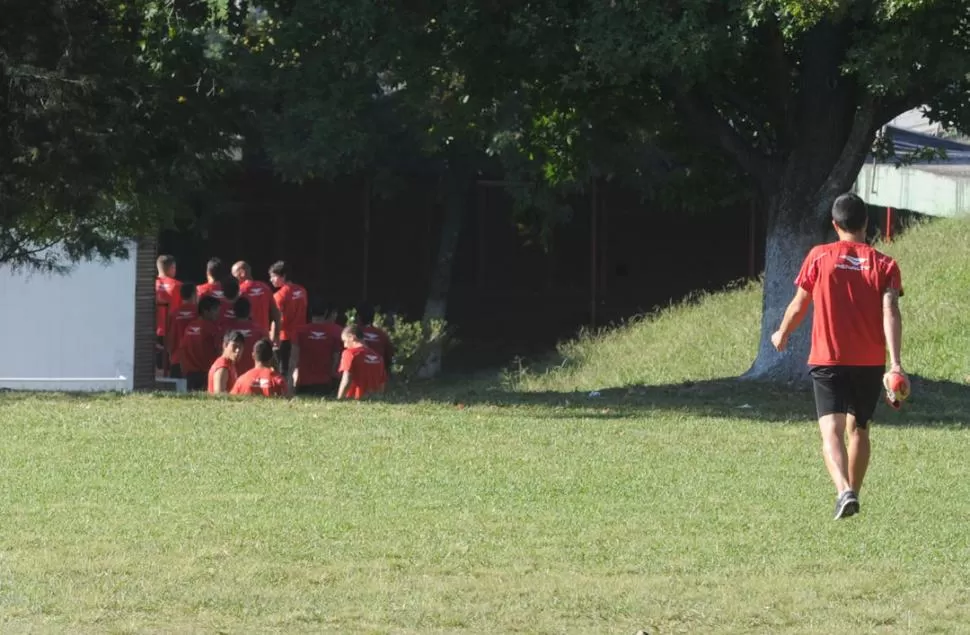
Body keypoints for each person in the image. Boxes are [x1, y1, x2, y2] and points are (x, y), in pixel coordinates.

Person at [771, 192, 904, 520]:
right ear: (867, 223)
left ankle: (844, 491)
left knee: (830, 430)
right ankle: (852, 495)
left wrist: (783, 333)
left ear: (834, 224)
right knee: (858, 430)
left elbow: (799, 303)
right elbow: (890, 309)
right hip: (869, 360)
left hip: (828, 358)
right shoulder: (885, 264)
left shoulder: (819, 256)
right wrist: (896, 363)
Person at [290, 301, 344, 397]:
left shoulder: (299, 331)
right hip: (325, 383)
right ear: (326, 312)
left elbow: (294, 359)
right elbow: (336, 360)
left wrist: (291, 381)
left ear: (310, 311)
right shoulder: (335, 332)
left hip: (303, 382)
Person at [268, 260, 308, 378]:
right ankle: (295, 389)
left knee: (283, 368)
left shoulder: (279, 295)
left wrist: (274, 338)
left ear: (283, 276)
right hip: (301, 335)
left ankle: (285, 391)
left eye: (273, 276)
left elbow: (278, 319)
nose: (271, 280)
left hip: (285, 337)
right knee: (296, 365)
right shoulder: (302, 290)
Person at [177, 296, 223, 391]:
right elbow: (219, 350)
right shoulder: (212, 328)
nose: (218, 314)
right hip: (206, 373)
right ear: (206, 311)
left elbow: (182, 348)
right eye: (215, 310)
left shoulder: (189, 327)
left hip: (190, 374)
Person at [336, 325, 387, 400]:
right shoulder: (378, 357)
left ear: (351, 337)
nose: (344, 345)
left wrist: (339, 399)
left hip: (353, 401)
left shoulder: (350, 353)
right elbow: (382, 384)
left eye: (344, 341)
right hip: (373, 403)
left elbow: (346, 379)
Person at [221, 297, 269, 375]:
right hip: (253, 375)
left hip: (231, 373)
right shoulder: (260, 330)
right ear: (250, 311)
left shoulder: (226, 330)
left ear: (234, 311)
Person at [231, 260, 282, 335]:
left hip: (247, 335)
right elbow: (276, 313)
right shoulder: (265, 287)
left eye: (234, 276)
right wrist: (277, 334)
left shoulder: (240, 291)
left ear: (242, 273)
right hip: (264, 336)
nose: (233, 279)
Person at [165, 283, 198, 379]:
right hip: (194, 363)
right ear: (194, 294)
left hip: (176, 360)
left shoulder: (173, 314)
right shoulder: (198, 313)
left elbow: (168, 339)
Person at [155, 255, 182, 372]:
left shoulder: (150, 284)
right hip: (171, 330)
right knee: (170, 363)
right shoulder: (178, 286)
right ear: (172, 268)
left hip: (153, 330)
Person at [356, 302, 395, 377]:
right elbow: (390, 355)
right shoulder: (382, 335)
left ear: (358, 317)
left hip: (358, 377)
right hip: (377, 377)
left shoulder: (352, 333)